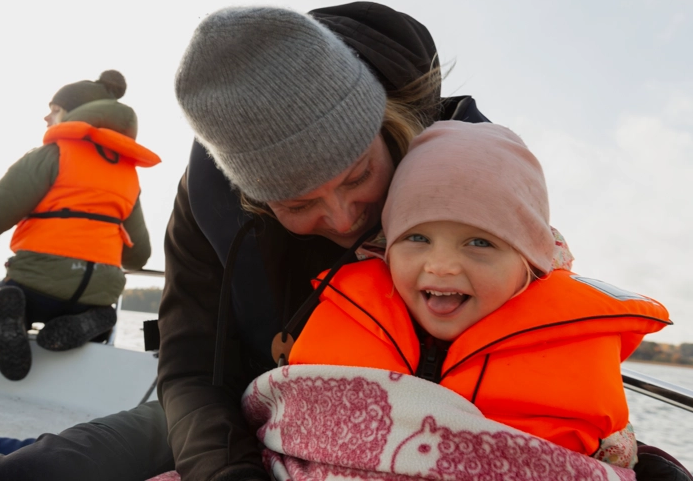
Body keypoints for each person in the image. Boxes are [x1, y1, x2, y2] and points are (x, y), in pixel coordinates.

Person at [0, 3, 693, 481]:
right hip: (238, 412)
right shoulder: (208, 200)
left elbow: (534, 357)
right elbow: (191, 367)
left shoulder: (466, 176)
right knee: (22, 475)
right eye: (298, 204)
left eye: (359, 177)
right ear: (253, 198)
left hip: (418, 427)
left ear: (390, 130)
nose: (345, 216)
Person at [288, 121, 672, 469]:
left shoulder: (575, 346)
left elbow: (618, 461)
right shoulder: (346, 313)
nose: (441, 266)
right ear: (384, 250)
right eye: (417, 238)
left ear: (528, 262)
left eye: (479, 243)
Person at [0, 70, 160, 381]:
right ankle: (96, 320)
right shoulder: (128, 176)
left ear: (74, 113)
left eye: (54, 109)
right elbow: (138, 255)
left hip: (36, 286)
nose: (46, 117)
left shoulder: (51, 155)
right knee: (90, 320)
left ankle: (5, 310)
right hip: (97, 294)